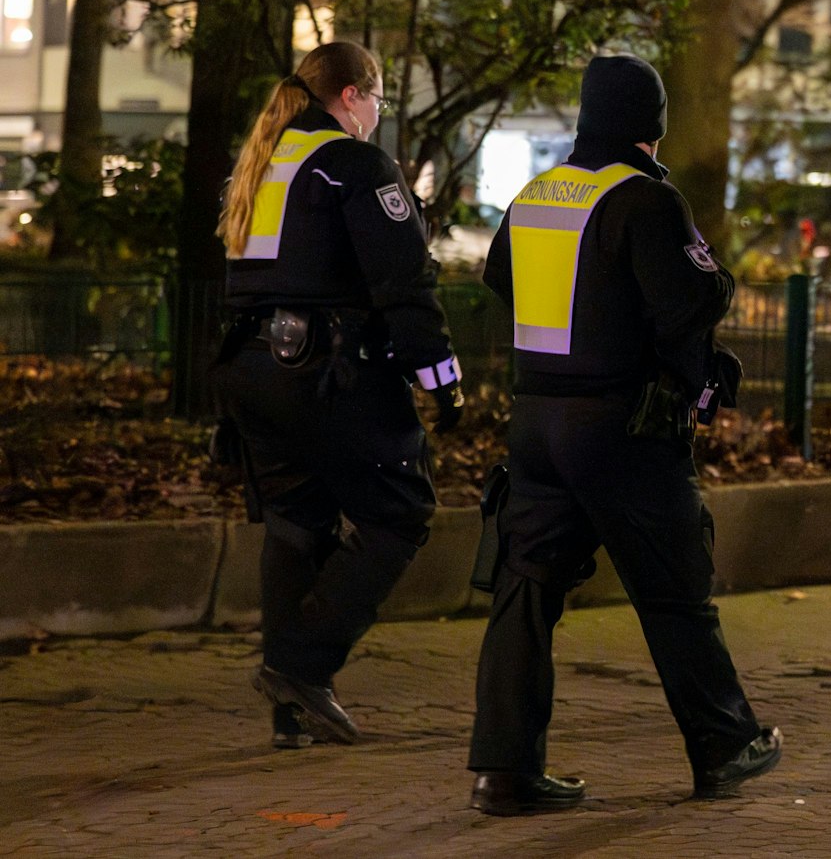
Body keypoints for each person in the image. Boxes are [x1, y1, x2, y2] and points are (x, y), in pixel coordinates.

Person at [468, 53, 778, 816]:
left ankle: (504, 770)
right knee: (674, 588)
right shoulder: (645, 198)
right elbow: (689, 303)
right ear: (650, 125)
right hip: (622, 426)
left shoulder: (536, 194)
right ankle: (724, 743)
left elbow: (501, 279)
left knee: (525, 589)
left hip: (536, 422)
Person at [214, 40, 464, 751]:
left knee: (296, 522)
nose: (378, 113)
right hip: (328, 368)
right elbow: (403, 281)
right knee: (400, 513)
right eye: (377, 99)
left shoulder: (260, 163)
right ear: (351, 95)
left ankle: (293, 713)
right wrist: (440, 378)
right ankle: (300, 664)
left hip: (252, 368)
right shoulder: (354, 164)